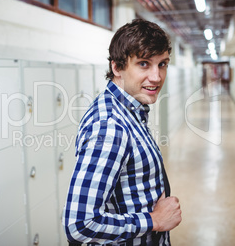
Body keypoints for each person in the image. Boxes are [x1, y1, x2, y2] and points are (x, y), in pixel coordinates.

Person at [63, 19, 182, 246]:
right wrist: (153, 221)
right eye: (144, 64)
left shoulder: (129, 111)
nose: (157, 77)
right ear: (117, 67)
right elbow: (79, 224)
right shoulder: (110, 126)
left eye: (163, 64)